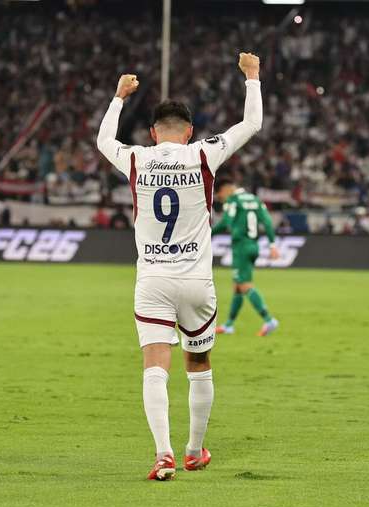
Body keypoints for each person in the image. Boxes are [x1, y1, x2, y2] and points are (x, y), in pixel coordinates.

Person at [96, 52, 263, 481]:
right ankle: (193, 450)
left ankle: (163, 454)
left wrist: (118, 98)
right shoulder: (203, 155)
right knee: (199, 364)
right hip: (196, 281)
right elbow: (251, 125)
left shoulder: (137, 158)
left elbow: (103, 142)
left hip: (152, 278)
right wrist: (252, 77)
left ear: (153, 134)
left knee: (155, 364)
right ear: (189, 132)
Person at [212, 178, 280, 336]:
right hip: (254, 245)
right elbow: (268, 222)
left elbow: (225, 223)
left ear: (226, 189)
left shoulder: (233, 201)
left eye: (220, 195)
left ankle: (269, 320)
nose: (222, 199)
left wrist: (207, 234)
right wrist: (272, 245)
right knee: (237, 286)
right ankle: (229, 325)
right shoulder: (255, 200)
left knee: (244, 285)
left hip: (241, 246)